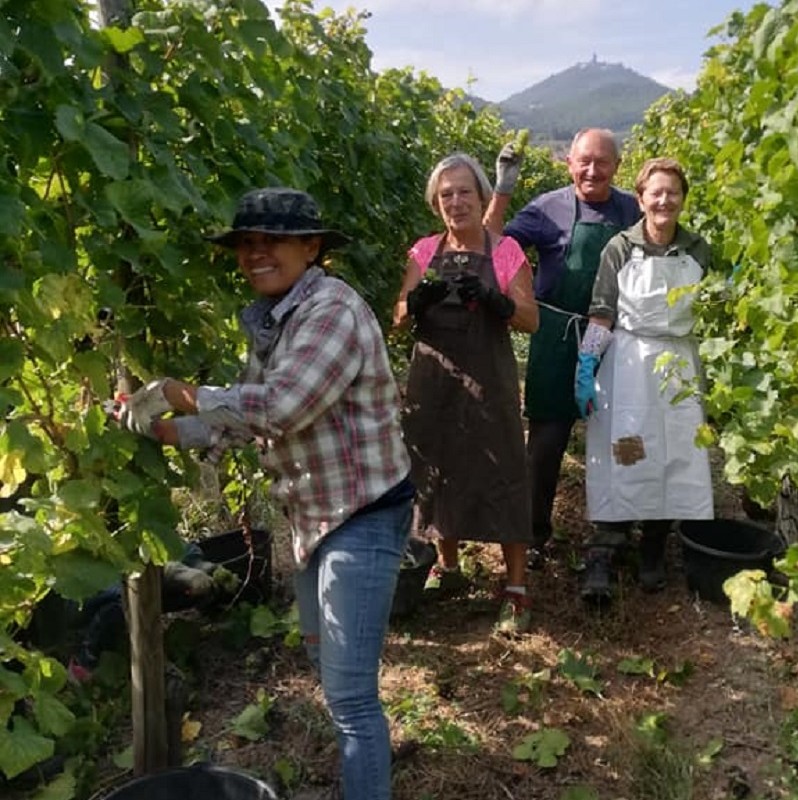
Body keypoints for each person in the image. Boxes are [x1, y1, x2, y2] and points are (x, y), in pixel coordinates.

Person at [118, 187, 414, 800]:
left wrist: (182, 392)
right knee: (325, 668)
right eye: (246, 244)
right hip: (314, 519)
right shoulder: (278, 317)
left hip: (363, 514)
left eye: (271, 241)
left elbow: (282, 406)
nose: (255, 254)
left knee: (353, 699)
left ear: (311, 247)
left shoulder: (331, 309)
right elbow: (241, 415)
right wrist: (160, 427)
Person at [488, 128, 641, 590]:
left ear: (617, 165)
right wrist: (502, 189)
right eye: (584, 162)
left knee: (618, 436)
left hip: (616, 332)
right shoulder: (545, 208)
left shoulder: (632, 210)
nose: (593, 170)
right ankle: (534, 534)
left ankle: (614, 532)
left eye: (603, 162)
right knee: (546, 442)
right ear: (569, 164)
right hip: (555, 333)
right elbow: (494, 244)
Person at [394, 153, 539, 635]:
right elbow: (398, 315)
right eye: (445, 194)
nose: (455, 201)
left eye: (464, 192)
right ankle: (448, 568)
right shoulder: (423, 253)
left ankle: (515, 587)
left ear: (482, 197)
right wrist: (415, 300)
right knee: (437, 468)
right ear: (437, 204)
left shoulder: (506, 251)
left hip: (487, 382)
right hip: (433, 381)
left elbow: (531, 319)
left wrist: (499, 302)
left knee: (503, 471)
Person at [574, 157, 714, 603]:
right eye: (656, 191)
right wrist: (586, 364)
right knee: (627, 446)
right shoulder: (620, 247)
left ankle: (655, 542)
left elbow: (714, 307)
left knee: (676, 448)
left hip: (680, 362)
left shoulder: (698, 249)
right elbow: (602, 312)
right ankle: (610, 539)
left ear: (682, 199)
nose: (664, 200)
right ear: (641, 198)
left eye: (672, 192)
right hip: (630, 362)